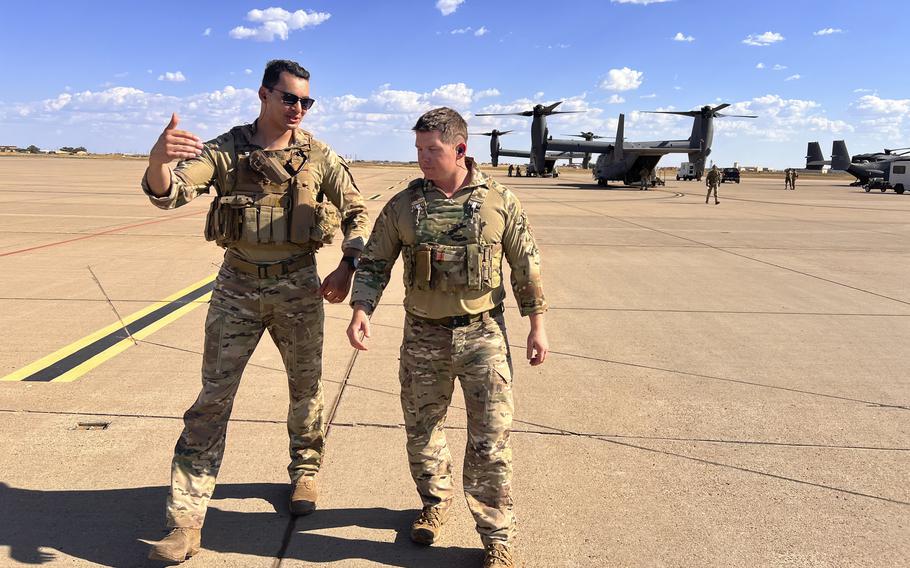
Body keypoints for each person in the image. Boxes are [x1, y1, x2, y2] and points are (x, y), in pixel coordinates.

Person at [141, 59, 369, 563]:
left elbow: (356, 208)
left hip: (299, 288)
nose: (299, 110)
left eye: (306, 101)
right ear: (263, 95)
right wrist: (158, 161)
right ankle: (186, 521)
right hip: (237, 288)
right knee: (211, 402)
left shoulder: (319, 155)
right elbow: (170, 193)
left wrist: (349, 263)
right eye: (290, 99)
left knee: (306, 390)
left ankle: (305, 471)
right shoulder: (228, 150)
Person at [346, 107, 548, 568]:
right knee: (422, 431)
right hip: (423, 336)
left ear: (461, 149)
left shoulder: (500, 202)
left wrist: (537, 325)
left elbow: (526, 266)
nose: (422, 159)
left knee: (491, 441)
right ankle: (434, 503)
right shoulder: (404, 205)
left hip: (483, 335)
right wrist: (362, 310)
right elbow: (376, 262)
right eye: (417, 149)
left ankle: (497, 537)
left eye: (431, 150)